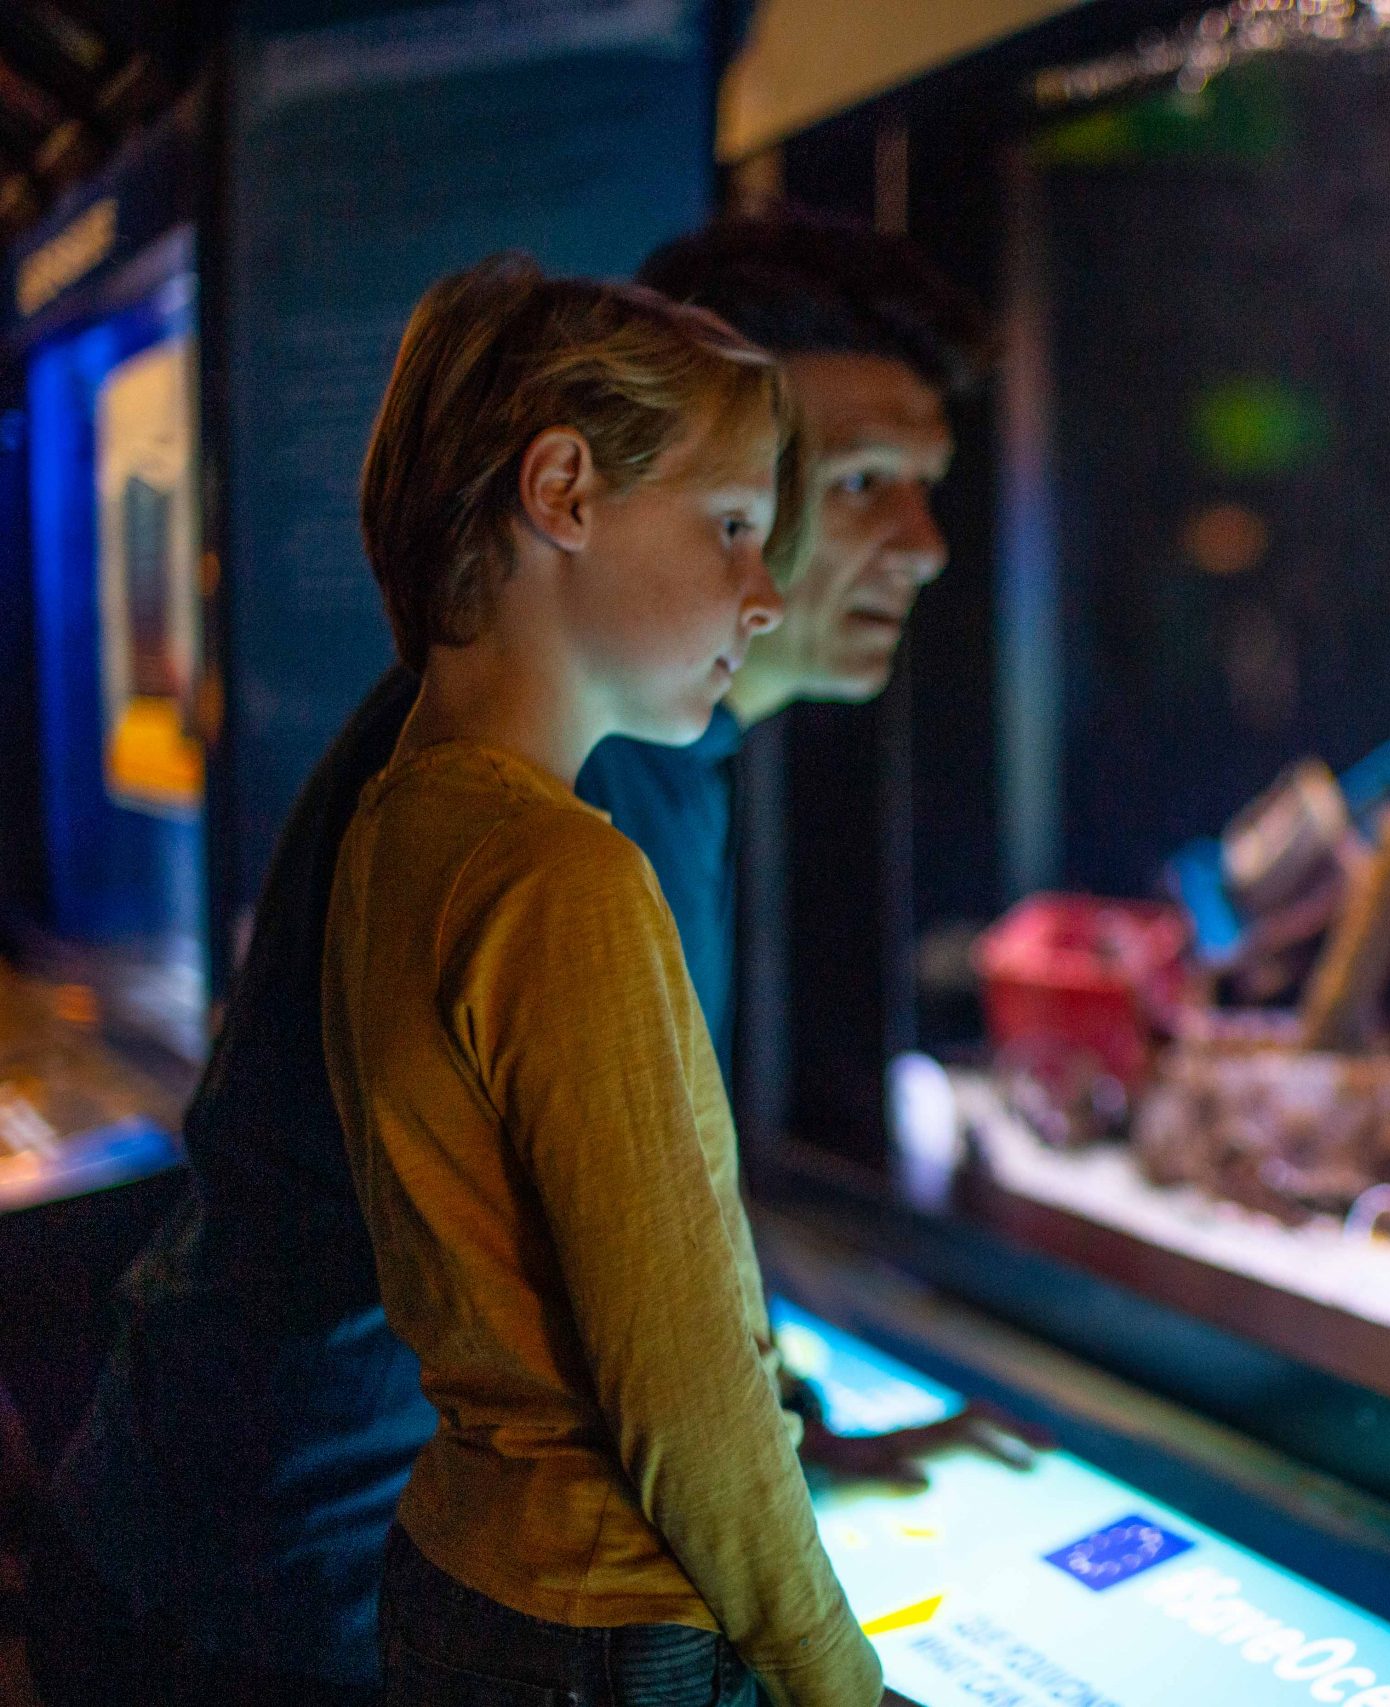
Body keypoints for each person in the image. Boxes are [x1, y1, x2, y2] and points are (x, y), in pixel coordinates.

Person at [27, 214, 987, 1706]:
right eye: (834, 484)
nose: (918, 547)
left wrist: (784, 1419)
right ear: (572, 492)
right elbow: (651, 1353)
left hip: (261, 1543)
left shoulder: (518, 764)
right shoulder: (582, 808)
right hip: (294, 1583)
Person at [321, 253, 869, 1704]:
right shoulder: (567, 874)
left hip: (455, 1564)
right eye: (735, 526)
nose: (765, 594)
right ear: (561, 492)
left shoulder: (395, 820)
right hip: (614, 1623)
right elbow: (683, 1382)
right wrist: (829, 1669)